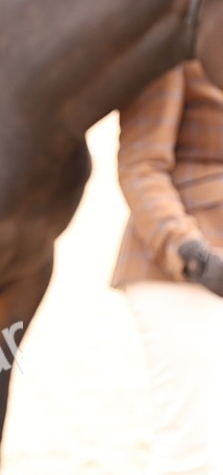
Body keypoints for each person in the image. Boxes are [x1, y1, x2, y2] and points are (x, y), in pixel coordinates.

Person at [114, 60, 223, 475]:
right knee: (196, 453)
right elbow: (141, 167)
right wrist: (191, 252)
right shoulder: (179, 51)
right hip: (184, 272)